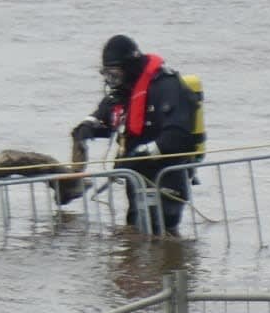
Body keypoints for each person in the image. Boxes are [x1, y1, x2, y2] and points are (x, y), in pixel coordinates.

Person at [72, 34, 203, 233]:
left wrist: (140, 156)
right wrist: (85, 129)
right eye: (107, 75)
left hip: (167, 180)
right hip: (137, 179)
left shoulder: (166, 87)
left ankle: (173, 260)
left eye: (114, 74)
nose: (111, 81)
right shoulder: (126, 90)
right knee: (135, 237)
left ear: (129, 66)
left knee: (160, 234)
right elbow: (105, 116)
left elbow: (178, 137)